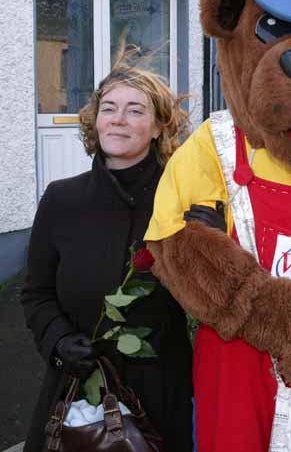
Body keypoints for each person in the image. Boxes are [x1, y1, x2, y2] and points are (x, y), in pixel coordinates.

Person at [21, 53, 193, 452]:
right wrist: (60, 343)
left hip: (162, 392)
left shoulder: (183, 201)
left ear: (157, 127)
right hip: (78, 388)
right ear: (95, 120)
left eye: (135, 110)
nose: (118, 119)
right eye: (109, 108)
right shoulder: (61, 200)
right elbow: (37, 293)